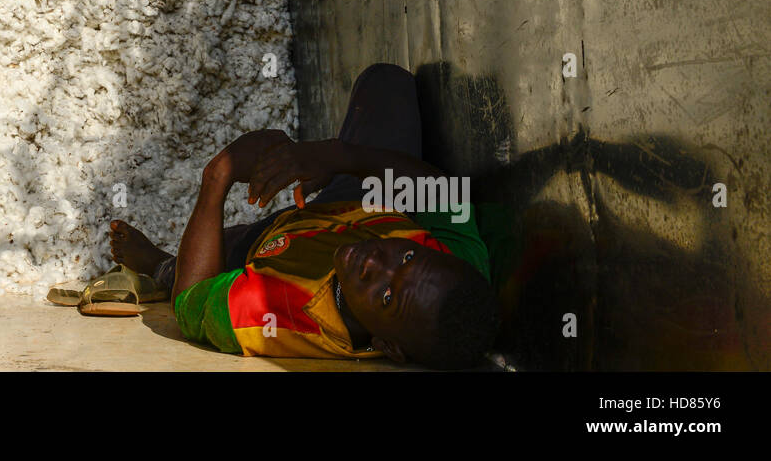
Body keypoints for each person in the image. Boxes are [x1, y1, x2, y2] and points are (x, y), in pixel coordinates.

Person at [108, 63, 500, 368]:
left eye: (385, 294)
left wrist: (218, 176)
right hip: (361, 207)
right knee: (387, 82)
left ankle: (159, 264)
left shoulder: (275, 316)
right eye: (408, 256)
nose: (376, 262)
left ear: (386, 347)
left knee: (204, 259)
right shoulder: (457, 274)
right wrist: (333, 157)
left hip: (269, 246)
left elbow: (190, 301)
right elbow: (446, 193)